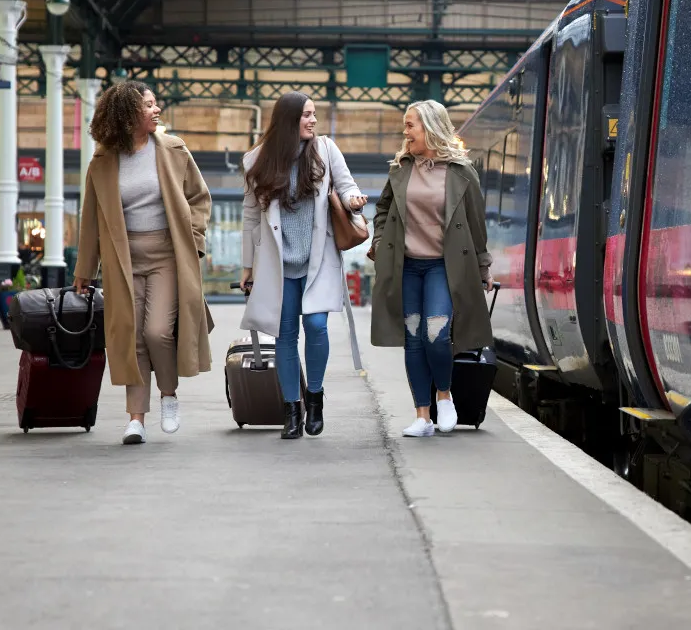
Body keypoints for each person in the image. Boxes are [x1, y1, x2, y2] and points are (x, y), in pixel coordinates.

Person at [74, 81, 214, 445]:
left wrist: (194, 241)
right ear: (127, 114)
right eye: (148, 105)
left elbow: (199, 198)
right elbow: (90, 218)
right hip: (122, 259)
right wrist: (84, 270)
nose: (156, 110)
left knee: (157, 332)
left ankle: (168, 395)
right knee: (131, 337)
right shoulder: (103, 161)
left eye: (155, 104)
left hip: (168, 254)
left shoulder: (173, 149)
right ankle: (135, 418)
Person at [240, 91, 367, 440]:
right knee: (284, 335)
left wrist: (354, 199)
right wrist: (247, 268)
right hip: (277, 264)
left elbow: (346, 185)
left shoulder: (326, 150)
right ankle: (291, 411)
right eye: (306, 115)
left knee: (317, 326)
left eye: (314, 114)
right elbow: (251, 217)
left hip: (318, 259)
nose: (313, 120)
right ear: (287, 121)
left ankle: (315, 398)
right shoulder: (256, 160)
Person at [369, 100, 495, 438]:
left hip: (443, 266)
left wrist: (483, 267)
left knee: (436, 336)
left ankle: (445, 395)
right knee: (413, 339)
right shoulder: (401, 168)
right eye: (405, 125)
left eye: (411, 125)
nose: (405, 131)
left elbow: (475, 222)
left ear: (430, 128)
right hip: (406, 266)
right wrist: (380, 242)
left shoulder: (461, 172)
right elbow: (382, 209)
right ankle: (422, 417)